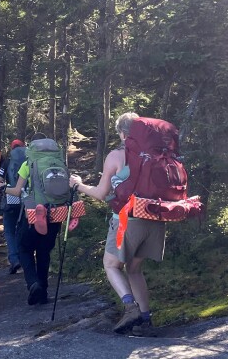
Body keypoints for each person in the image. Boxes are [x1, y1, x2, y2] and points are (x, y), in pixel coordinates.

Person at [69, 112, 164, 336]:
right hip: (156, 221)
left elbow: (102, 193)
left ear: (123, 134)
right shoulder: (156, 154)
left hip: (128, 221)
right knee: (134, 269)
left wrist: (79, 185)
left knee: (111, 265)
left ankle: (130, 308)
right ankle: (145, 320)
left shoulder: (116, 155)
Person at [0, 135, 61, 306]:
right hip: (55, 214)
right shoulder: (57, 161)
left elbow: (17, 191)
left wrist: (2, 188)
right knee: (44, 252)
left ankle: (33, 284)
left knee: (24, 248)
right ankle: (43, 293)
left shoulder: (27, 164)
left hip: (34, 215)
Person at [0, 139, 26, 274]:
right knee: (24, 229)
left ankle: (14, 260)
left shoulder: (7, 161)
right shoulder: (29, 161)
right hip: (27, 200)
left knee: (9, 230)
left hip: (11, 198)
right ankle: (26, 259)